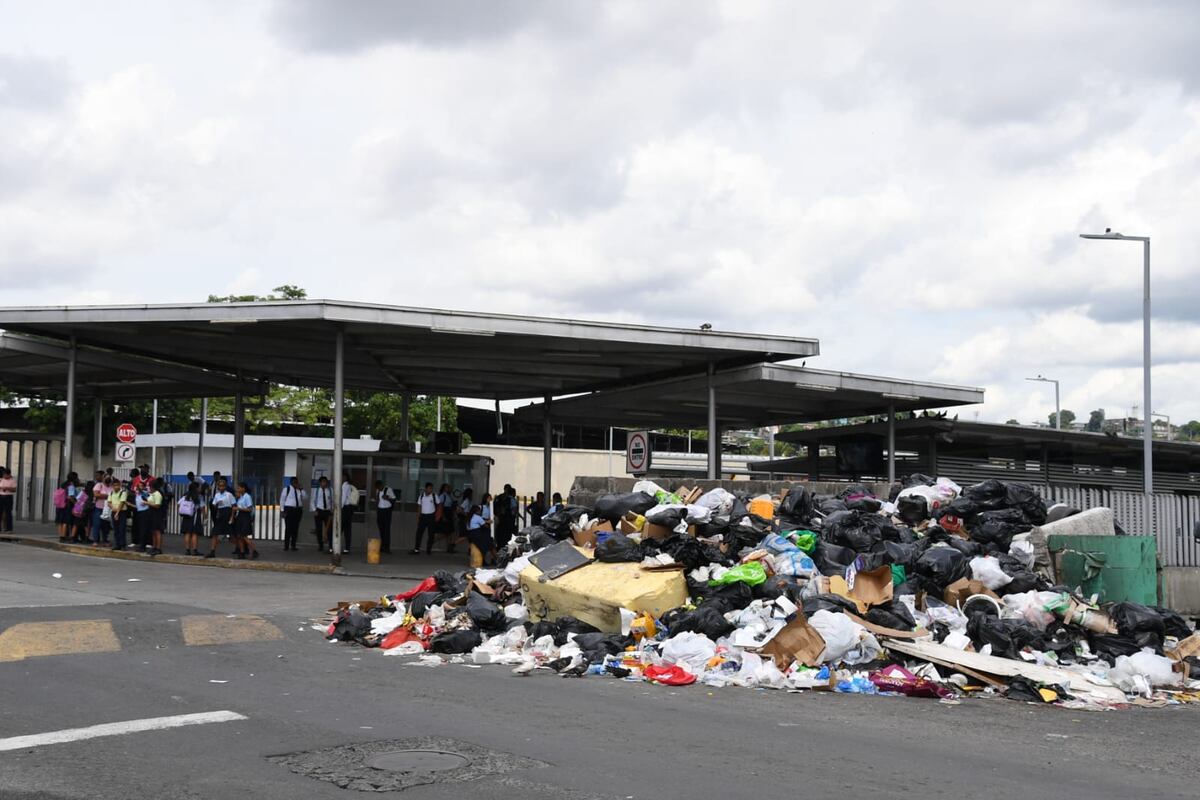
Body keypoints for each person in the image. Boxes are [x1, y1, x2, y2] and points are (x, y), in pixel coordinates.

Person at [207, 477, 235, 559]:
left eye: (223, 486)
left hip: (227, 513)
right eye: (220, 486)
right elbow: (214, 505)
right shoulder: (217, 495)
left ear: (225, 487)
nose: (221, 487)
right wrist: (217, 505)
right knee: (215, 533)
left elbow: (233, 506)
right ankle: (212, 551)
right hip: (220, 513)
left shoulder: (229, 495)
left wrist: (232, 517)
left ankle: (242, 549)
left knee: (232, 535)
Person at [179, 481, 206, 556]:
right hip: (195, 516)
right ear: (196, 488)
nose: (200, 488)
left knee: (187, 533)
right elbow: (202, 508)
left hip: (186, 516)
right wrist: (205, 517)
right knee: (194, 533)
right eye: (199, 487)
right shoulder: (199, 496)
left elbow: (179, 504)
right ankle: (194, 550)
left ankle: (187, 550)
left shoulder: (185, 495)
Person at [233, 481, 258, 559]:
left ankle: (254, 550)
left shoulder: (247, 497)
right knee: (239, 536)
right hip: (239, 516)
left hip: (245, 517)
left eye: (239, 488)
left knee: (244, 536)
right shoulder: (240, 497)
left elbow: (250, 509)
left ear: (243, 488)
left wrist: (239, 508)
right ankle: (242, 552)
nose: (237, 489)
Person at [279, 477, 306, 551]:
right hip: (289, 509)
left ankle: (293, 545)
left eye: (296, 482)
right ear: (291, 482)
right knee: (288, 528)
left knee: (295, 528)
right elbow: (282, 500)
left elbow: (305, 497)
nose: (295, 484)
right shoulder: (286, 489)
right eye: (294, 482)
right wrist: (282, 510)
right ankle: (286, 546)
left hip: (298, 510)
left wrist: (301, 489)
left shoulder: (299, 490)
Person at [411, 482, 437, 555]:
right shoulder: (421, 496)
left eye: (431, 488)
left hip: (431, 516)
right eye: (429, 488)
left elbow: (439, 505)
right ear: (426, 488)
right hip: (423, 516)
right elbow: (419, 506)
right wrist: (418, 516)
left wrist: (437, 516)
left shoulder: (434, 496)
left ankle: (428, 550)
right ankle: (416, 549)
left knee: (431, 534)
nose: (430, 490)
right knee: (419, 533)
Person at [465, 503, 493, 568]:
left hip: (470, 534)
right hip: (476, 534)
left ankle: (473, 561)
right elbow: (484, 525)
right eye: (479, 511)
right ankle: (483, 562)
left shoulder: (469, 516)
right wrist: (488, 523)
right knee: (484, 546)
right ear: (477, 511)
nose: (480, 512)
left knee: (475, 547)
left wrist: (485, 521)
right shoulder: (478, 517)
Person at [310, 475, 333, 552]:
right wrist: (314, 510)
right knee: (319, 529)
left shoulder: (330, 490)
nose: (325, 483)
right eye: (323, 482)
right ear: (320, 483)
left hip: (327, 511)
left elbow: (333, 500)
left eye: (326, 482)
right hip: (319, 511)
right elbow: (312, 501)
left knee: (329, 529)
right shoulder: (316, 491)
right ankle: (321, 546)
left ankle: (330, 546)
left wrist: (332, 509)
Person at [374, 480, 396, 553]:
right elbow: (377, 500)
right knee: (381, 530)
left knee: (387, 530)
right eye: (377, 488)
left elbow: (394, 499)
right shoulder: (377, 491)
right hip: (380, 511)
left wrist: (387, 498)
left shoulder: (388, 489)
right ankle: (382, 547)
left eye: (379, 487)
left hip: (387, 511)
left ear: (382, 485)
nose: (379, 489)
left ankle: (387, 548)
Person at [107, 477, 129, 551]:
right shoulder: (111, 492)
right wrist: (113, 508)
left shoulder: (123, 492)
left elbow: (122, 503)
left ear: (120, 485)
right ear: (112, 486)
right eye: (114, 485)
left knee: (122, 528)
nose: (116, 487)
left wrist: (117, 512)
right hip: (114, 511)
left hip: (121, 512)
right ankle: (117, 544)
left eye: (117, 485)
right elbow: (109, 502)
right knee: (115, 529)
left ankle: (123, 545)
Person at [146, 478, 165, 556]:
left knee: (157, 531)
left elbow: (157, 505)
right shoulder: (152, 494)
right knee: (153, 531)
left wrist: (147, 503)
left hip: (157, 514)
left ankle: (158, 548)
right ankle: (154, 546)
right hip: (151, 513)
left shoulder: (157, 494)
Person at [435, 483, 455, 553]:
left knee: (450, 532)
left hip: (449, 514)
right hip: (445, 514)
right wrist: (443, 516)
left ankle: (449, 548)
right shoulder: (442, 496)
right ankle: (432, 541)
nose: (448, 489)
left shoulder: (449, 496)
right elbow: (440, 507)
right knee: (445, 532)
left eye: (449, 487)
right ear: (443, 488)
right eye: (447, 487)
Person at [339, 472, 356, 554]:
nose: (341, 478)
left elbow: (343, 497)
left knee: (341, 528)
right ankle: (347, 548)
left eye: (342, 476)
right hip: (348, 509)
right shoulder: (348, 485)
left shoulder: (345, 486)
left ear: (345, 477)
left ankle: (337, 547)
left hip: (345, 509)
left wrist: (339, 508)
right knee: (347, 529)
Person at [0, 467, 15, 533]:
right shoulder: (2, 479)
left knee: (8, 513)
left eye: (5, 474)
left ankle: (9, 529)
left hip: (8, 497)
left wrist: (7, 488)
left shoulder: (12, 480)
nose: (4, 476)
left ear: (8, 474)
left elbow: (14, 489)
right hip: (1, 496)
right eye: (3, 474)